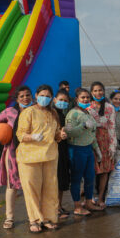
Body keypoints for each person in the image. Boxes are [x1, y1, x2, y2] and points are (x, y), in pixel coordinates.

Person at [16, 85, 67, 232]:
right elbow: (20, 135)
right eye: (42, 95)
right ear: (36, 96)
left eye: (48, 96)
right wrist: (32, 136)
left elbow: (56, 134)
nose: (45, 98)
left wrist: (60, 135)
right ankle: (34, 220)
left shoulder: (53, 113)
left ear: (51, 98)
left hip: (50, 156)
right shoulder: (28, 112)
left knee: (50, 188)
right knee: (32, 190)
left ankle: (48, 218)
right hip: (29, 157)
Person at [0, 85, 32, 229]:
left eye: (27, 95)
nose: (25, 98)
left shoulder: (36, 111)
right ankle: (9, 217)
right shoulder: (10, 112)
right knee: (12, 186)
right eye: (21, 96)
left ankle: (33, 217)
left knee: (31, 185)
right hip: (12, 153)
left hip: (32, 152)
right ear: (16, 99)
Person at [65, 88, 104, 216]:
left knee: (90, 177)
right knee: (76, 179)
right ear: (77, 99)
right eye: (83, 97)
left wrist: (97, 150)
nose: (86, 100)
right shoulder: (72, 114)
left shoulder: (88, 113)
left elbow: (92, 133)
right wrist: (83, 126)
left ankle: (88, 202)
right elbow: (69, 132)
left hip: (88, 149)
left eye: (88, 97)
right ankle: (77, 206)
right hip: (76, 149)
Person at [88, 81, 116, 208]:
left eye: (100, 90)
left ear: (104, 91)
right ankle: (90, 198)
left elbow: (112, 127)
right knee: (90, 171)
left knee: (104, 171)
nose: (98, 93)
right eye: (95, 91)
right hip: (90, 140)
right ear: (91, 92)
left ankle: (100, 198)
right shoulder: (87, 108)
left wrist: (112, 145)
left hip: (105, 140)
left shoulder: (110, 108)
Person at [53, 89, 71, 219]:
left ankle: (58, 206)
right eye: (60, 100)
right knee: (55, 181)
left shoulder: (63, 115)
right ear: (54, 100)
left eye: (65, 101)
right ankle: (54, 208)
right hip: (54, 151)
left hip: (63, 151)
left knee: (62, 180)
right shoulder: (52, 114)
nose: (63, 102)